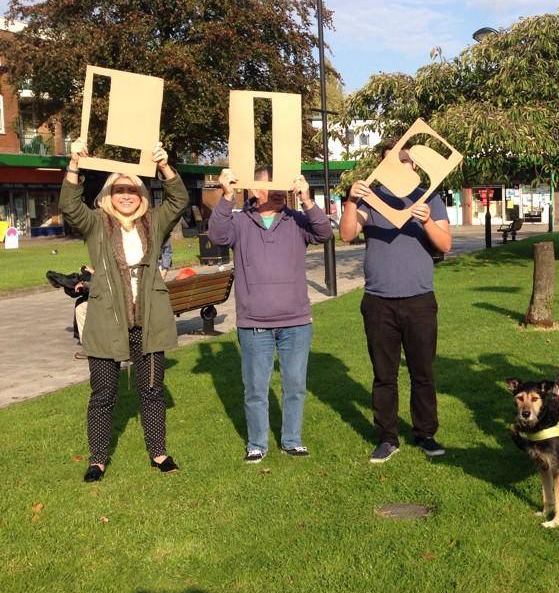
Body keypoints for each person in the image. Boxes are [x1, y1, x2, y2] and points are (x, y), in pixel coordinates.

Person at [59, 139, 189, 482]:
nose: (126, 195)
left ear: (142, 194)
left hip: (148, 321)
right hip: (106, 320)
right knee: (103, 392)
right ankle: (98, 459)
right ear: (108, 194)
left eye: (132, 189)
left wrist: (164, 166)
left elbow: (180, 199)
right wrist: (74, 164)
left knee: (151, 390)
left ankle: (159, 453)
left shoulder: (154, 222)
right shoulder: (96, 223)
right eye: (119, 189)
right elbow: (70, 207)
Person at [207, 166, 333, 463]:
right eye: (269, 185)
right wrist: (227, 197)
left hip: (296, 323)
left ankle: (292, 439)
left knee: (295, 386)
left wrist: (307, 200)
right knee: (255, 389)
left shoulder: (296, 219)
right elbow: (217, 235)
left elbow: (325, 233)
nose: (277, 191)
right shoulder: (239, 222)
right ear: (253, 189)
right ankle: (257, 444)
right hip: (255, 325)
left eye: (281, 185)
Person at [340, 142, 452, 463]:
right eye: (391, 162)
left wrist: (428, 220)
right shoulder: (370, 199)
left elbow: (445, 243)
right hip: (378, 302)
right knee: (384, 375)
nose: (400, 167)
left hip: (419, 300)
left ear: (414, 166)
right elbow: (347, 234)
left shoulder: (430, 198)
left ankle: (426, 434)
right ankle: (387, 438)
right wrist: (351, 201)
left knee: (423, 372)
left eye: (404, 162)